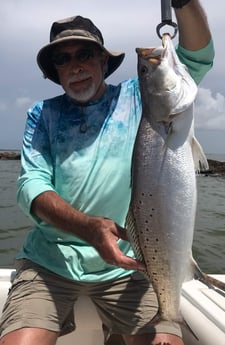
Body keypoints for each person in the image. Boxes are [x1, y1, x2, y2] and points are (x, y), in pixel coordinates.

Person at [0, 1, 214, 344]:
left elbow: (198, 55)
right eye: (63, 58)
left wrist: (184, 3)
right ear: (55, 70)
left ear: (103, 60)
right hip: (49, 263)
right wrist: (90, 228)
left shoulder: (141, 95)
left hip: (130, 266)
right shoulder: (42, 115)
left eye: (85, 53)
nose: (75, 66)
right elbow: (31, 186)